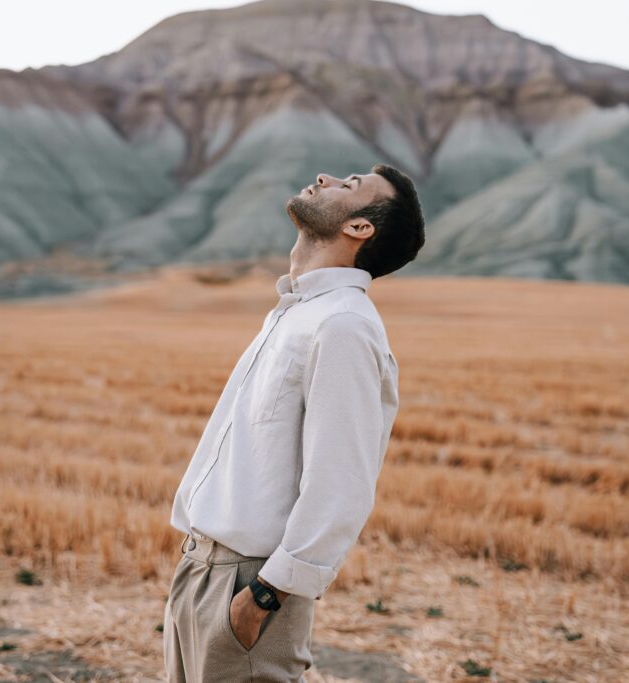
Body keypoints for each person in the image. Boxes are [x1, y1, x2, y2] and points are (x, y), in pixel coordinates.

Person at [163, 164, 425, 682]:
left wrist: (263, 596)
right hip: (201, 570)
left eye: (349, 186)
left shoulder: (343, 324)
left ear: (360, 228)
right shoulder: (297, 311)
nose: (326, 177)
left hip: (250, 584)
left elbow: (341, 484)